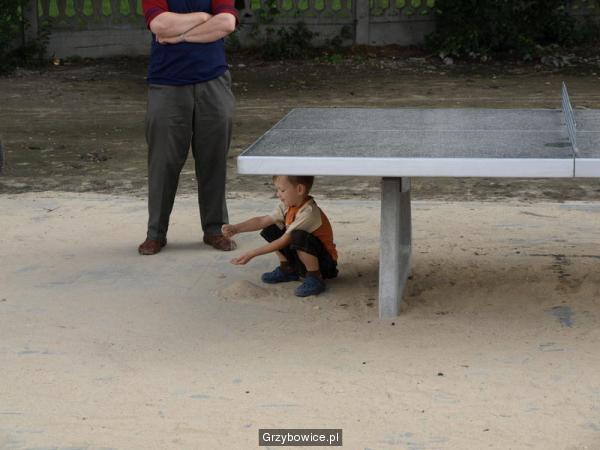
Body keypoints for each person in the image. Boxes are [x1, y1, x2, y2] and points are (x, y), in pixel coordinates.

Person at [138, 0, 239, 255]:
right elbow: (160, 25)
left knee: (214, 159)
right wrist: (204, 17)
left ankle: (215, 229)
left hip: (213, 81)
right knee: (162, 162)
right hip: (166, 83)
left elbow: (226, 23)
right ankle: (155, 233)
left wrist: (180, 36)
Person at [222, 175, 338, 297]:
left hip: (325, 265)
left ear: (299, 189)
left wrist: (251, 254)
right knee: (271, 227)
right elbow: (262, 221)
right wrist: (236, 228)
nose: (278, 194)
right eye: (277, 190)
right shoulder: (287, 206)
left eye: (282, 190)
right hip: (301, 257)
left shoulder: (309, 212)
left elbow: (284, 241)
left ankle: (315, 277)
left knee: (298, 235)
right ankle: (287, 269)